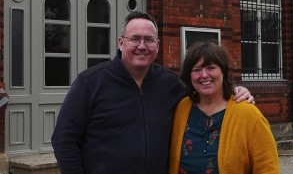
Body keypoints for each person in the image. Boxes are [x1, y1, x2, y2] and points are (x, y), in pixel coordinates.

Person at [51, 11, 254, 174]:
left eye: (149, 40)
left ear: (157, 46)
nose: (142, 46)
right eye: (135, 39)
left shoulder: (171, 84)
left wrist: (235, 91)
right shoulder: (90, 83)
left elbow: (206, 97)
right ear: (121, 43)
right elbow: (64, 139)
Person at [169, 41, 279, 174]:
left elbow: (268, 168)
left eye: (210, 68)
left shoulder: (249, 114)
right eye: (196, 70)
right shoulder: (181, 108)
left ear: (223, 71)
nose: (204, 75)